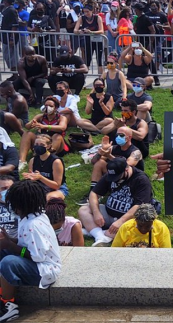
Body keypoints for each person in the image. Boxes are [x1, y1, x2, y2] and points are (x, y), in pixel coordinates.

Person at [0, 180, 61, 322]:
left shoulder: (33, 225)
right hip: (34, 261)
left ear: (19, 206)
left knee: (8, 262)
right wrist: (9, 241)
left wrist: (10, 245)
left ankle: (8, 305)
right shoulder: (29, 217)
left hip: (45, 270)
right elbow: (24, 244)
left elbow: (36, 256)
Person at [78, 157, 153, 247]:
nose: (114, 180)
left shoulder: (141, 180)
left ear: (126, 169)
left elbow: (139, 206)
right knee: (84, 210)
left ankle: (94, 231)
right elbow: (94, 193)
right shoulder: (111, 174)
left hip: (128, 218)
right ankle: (100, 236)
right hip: (108, 213)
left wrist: (121, 221)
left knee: (134, 229)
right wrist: (96, 212)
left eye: (117, 177)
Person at [18, 96, 68, 171]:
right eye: (46, 105)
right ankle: (22, 161)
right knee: (27, 133)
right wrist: (33, 122)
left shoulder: (61, 118)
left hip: (56, 144)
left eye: (51, 106)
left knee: (57, 136)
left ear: (56, 108)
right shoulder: (40, 117)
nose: (48, 108)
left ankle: (47, 159)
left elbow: (62, 127)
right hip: (41, 142)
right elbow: (27, 126)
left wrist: (44, 126)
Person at [23, 134, 67, 200]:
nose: (38, 147)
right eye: (36, 144)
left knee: (47, 198)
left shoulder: (56, 162)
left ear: (48, 146)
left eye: (42, 145)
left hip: (57, 189)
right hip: (39, 187)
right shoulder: (32, 161)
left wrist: (41, 177)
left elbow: (57, 185)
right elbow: (32, 181)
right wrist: (30, 178)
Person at [1, 0, 20, 80]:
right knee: (7, 56)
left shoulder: (12, 10)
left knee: (12, 57)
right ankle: (14, 73)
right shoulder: (5, 9)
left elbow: (14, 25)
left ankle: (15, 74)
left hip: (10, 38)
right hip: (4, 37)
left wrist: (12, 38)